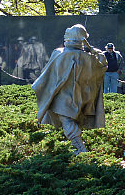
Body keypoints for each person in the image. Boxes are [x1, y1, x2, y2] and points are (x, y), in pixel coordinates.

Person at [32, 24, 107, 155]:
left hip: (65, 97)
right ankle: (78, 146)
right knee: (69, 120)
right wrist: (93, 50)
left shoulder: (60, 53)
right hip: (82, 97)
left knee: (66, 120)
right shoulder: (89, 57)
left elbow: (47, 76)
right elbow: (103, 65)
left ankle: (81, 149)